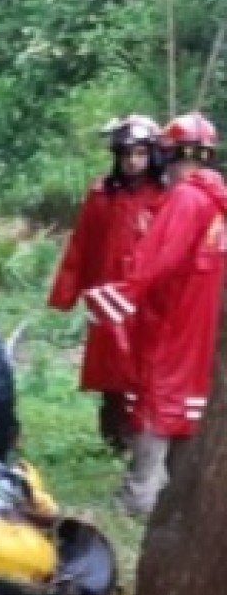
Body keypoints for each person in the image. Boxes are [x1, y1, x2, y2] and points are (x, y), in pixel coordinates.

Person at [83, 112, 227, 515]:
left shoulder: (186, 199)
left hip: (170, 316)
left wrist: (118, 294)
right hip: (199, 319)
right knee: (184, 400)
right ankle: (173, 492)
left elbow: (155, 259)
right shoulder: (217, 199)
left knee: (155, 397)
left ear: (169, 153)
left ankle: (140, 497)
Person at [47, 115, 165, 451]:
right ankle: (116, 432)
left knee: (147, 362)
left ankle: (145, 429)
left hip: (149, 297)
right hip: (109, 292)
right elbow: (82, 245)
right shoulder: (102, 194)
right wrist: (67, 293)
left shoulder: (165, 195)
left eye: (140, 153)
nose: (133, 161)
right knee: (112, 364)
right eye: (127, 154)